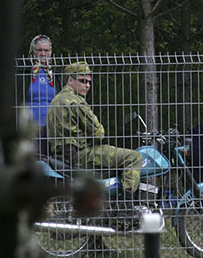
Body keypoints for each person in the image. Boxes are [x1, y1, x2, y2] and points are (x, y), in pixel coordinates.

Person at [46, 61, 142, 209]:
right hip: (82, 154)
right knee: (134, 157)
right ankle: (126, 209)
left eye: (89, 82)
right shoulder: (76, 102)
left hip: (61, 155)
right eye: (83, 81)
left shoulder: (55, 101)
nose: (87, 85)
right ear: (70, 80)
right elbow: (99, 133)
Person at [27, 35, 56, 156]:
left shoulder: (56, 73)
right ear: (33, 52)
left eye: (46, 50)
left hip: (52, 128)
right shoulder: (24, 72)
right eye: (39, 50)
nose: (43, 53)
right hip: (30, 129)